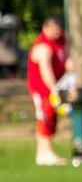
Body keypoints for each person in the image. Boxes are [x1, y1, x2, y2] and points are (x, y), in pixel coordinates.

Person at [26, 17, 69, 167]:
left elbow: (64, 58)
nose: (57, 34)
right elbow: (46, 71)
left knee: (53, 118)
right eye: (54, 31)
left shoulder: (62, 40)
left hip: (54, 88)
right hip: (42, 89)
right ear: (46, 29)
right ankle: (44, 152)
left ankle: (45, 153)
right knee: (45, 117)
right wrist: (55, 90)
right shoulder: (43, 47)